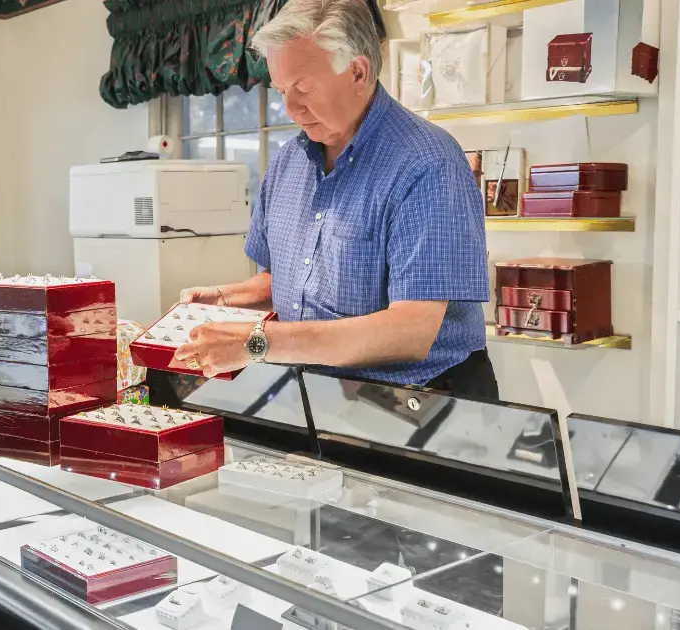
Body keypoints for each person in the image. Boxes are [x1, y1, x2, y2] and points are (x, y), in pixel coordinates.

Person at [174, 0, 497, 398]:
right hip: (322, 396)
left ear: (358, 71)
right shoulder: (289, 161)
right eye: (281, 91)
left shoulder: (427, 163)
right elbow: (290, 281)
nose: (290, 108)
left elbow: (411, 330)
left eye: (304, 88)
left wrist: (257, 341)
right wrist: (226, 298)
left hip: (424, 403)